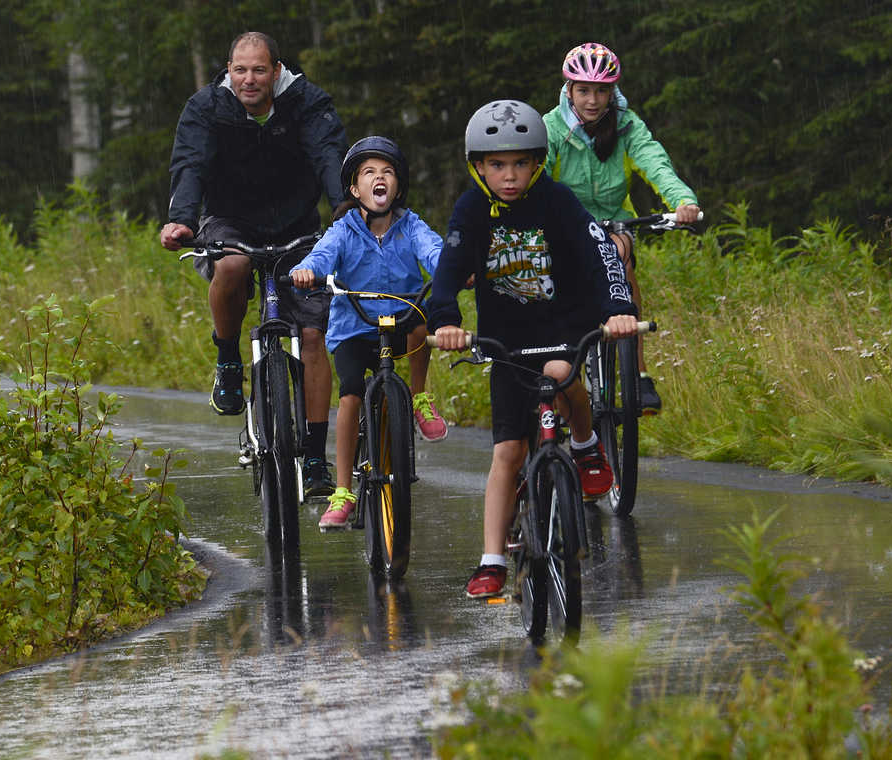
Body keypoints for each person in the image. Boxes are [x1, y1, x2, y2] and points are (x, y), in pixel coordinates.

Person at [428, 100, 639, 598]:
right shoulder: (471, 209)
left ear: (537, 163)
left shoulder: (558, 201)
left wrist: (618, 308)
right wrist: (446, 321)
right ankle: (492, 559)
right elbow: (449, 271)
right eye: (497, 165)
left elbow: (601, 253)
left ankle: (586, 446)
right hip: (506, 339)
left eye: (520, 163)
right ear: (477, 166)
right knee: (507, 451)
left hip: (563, 323)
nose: (509, 175)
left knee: (563, 370)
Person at [159, 31, 347, 498]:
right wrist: (182, 220)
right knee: (232, 266)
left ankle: (317, 457)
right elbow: (191, 165)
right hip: (231, 220)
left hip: (297, 226)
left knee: (313, 335)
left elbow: (330, 156)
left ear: (276, 72)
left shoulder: (306, 102)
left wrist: (346, 207)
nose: (249, 79)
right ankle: (227, 361)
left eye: (259, 70)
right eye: (240, 70)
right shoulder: (207, 108)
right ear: (228, 70)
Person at [290, 136, 447, 530]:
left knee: (421, 318)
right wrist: (308, 271)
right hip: (355, 328)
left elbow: (435, 251)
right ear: (355, 189)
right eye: (369, 173)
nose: (380, 178)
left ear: (398, 186)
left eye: (388, 172)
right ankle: (342, 491)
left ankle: (418, 395)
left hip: (400, 317)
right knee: (350, 396)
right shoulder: (343, 229)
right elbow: (321, 255)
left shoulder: (411, 225)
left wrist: (452, 267)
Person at [543, 42, 701, 414]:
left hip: (615, 223)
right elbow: (537, 177)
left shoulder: (628, 125)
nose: (593, 100)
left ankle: (638, 375)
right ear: (569, 90)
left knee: (619, 262)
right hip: (565, 229)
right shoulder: (550, 129)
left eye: (602, 90)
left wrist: (682, 201)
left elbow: (654, 162)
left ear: (613, 90)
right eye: (584, 90)